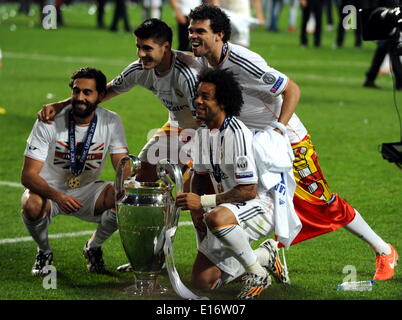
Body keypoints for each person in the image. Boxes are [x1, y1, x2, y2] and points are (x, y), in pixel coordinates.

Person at [188, 4, 398, 281]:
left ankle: (384, 250)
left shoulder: (243, 61)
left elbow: (292, 89)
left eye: (200, 31)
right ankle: (252, 259)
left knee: (320, 201)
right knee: (229, 190)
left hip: (285, 141)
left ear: (220, 35)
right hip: (251, 143)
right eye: (191, 30)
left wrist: (278, 129)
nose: (193, 36)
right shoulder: (204, 60)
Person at [176, 68, 296, 299]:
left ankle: (256, 273)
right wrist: (196, 212)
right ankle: (264, 256)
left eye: (205, 97)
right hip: (231, 208)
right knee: (203, 282)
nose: (197, 101)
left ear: (223, 102)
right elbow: (199, 177)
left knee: (217, 218)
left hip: (261, 205)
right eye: (197, 95)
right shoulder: (203, 133)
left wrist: (203, 202)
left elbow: (249, 190)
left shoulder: (237, 133)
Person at [21, 67, 129, 276]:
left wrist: (129, 185)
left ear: (100, 96)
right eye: (76, 91)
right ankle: (44, 251)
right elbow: (28, 175)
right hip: (48, 191)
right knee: (32, 205)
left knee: (123, 197)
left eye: (87, 92)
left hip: (88, 190)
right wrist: (58, 196)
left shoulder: (111, 121)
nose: (80, 97)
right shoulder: (49, 120)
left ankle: (93, 247)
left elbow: (122, 166)